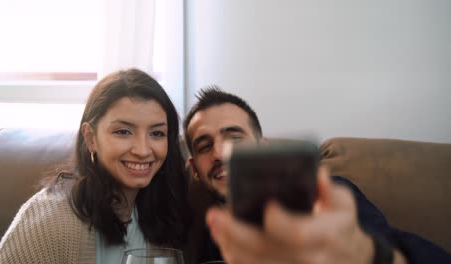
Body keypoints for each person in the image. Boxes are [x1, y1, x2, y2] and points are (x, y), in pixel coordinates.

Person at [183, 86, 451, 264]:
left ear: (262, 148)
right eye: (205, 146)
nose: (220, 153)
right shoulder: (208, 234)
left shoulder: (325, 195)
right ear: (194, 170)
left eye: (235, 138)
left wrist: (367, 253)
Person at [0, 69, 189, 264]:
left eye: (156, 133)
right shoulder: (51, 219)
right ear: (91, 138)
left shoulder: (163, 211)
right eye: (123, 132)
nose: (143, 150)